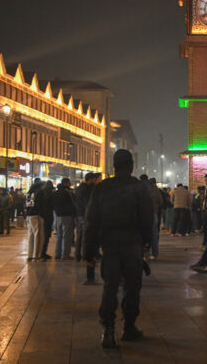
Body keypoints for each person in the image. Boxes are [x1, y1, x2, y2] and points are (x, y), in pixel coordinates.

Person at [84, 149, 154, 348]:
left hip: (110, 244)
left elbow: (91, 221)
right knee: (132, 287)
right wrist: (146, 241)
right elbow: (147, 217)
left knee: (110, 287)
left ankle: (108, 329)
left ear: (114, 166)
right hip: (132, 244)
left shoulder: (102, 188)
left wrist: (89, 251)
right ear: (131, 166)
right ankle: (129, 327)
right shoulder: (139, 188)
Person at [76, 173, 101, 283]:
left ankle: (80, 255)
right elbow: (88, 204)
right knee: (86, 236)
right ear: (92, 179)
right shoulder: (88, 190)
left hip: (80, 214)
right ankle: (86, 256)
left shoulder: (80, 188)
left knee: (81, 236)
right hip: (85, 215)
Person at [53, 178, 77, 260]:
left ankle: (58, 254)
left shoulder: (56, 193)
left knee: (59, 236)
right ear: (66, 183)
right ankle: (65, 255)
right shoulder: (67, 193)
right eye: (69, 183)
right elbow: (73, 204)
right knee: (67, 236)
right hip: (67, 216)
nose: (70, 184)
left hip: (58, 216)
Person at [38, 181, 55, 260]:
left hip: (42, 216)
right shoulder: (51, 195)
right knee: (47, 235)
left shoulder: (41, 193)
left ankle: (41, 252)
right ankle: (43, 252)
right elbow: (53, 205)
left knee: (42, 235)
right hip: (48, 216)